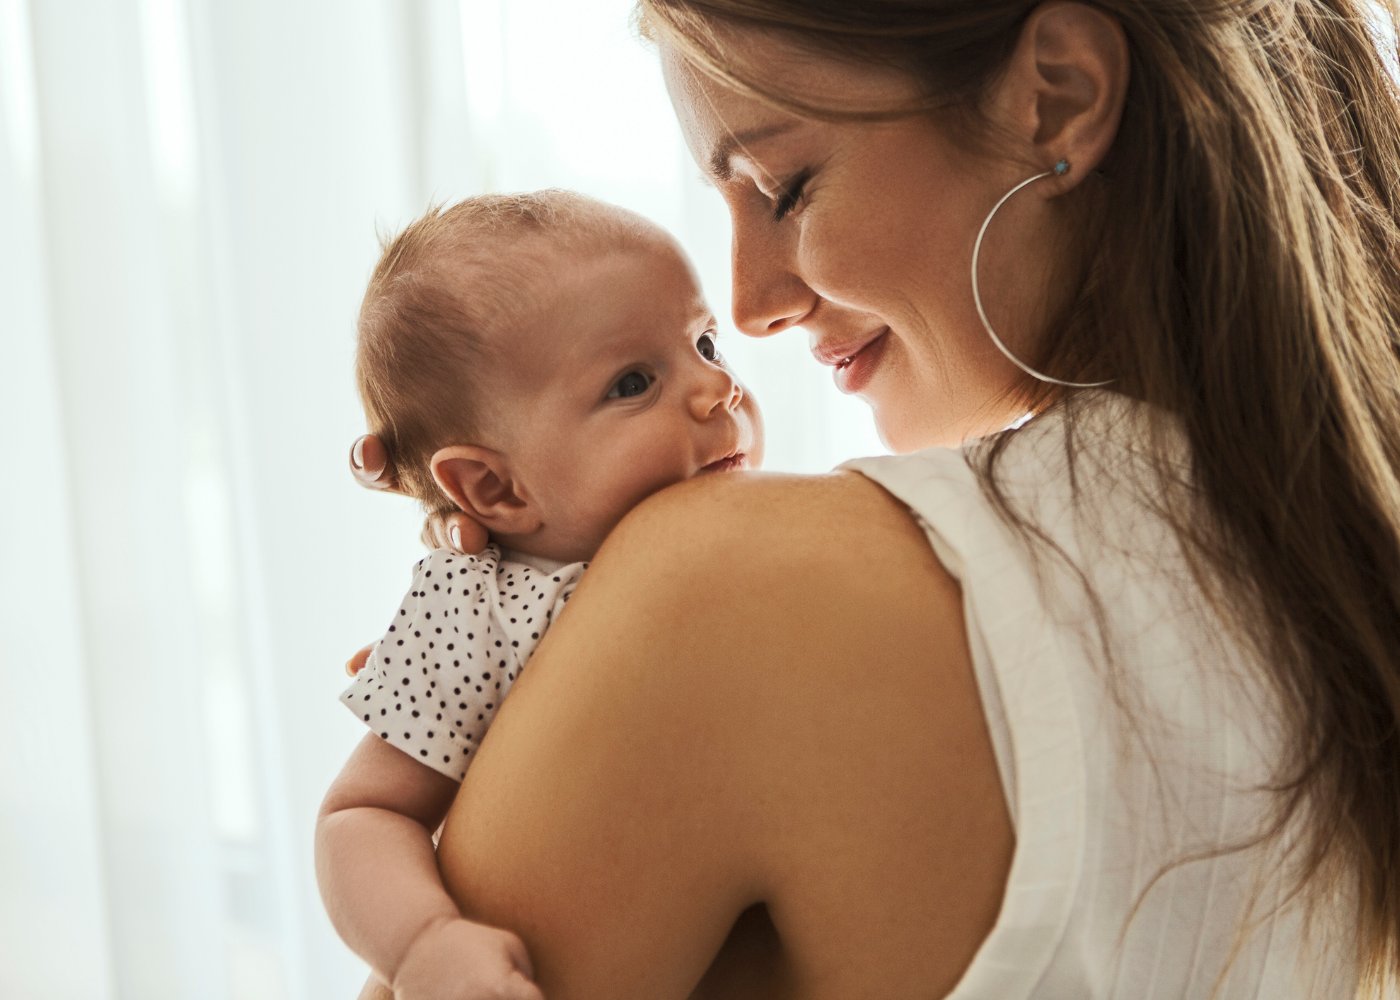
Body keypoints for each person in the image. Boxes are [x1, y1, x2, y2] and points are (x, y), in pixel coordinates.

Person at [348, 1, 1400, 996]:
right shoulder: (1330, 577)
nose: (749, 308)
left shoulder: (728, 588)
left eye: (785, 187)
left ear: (1059, 99)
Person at [317, 191, 762, 1000]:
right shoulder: (480, 608)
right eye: (634, 381)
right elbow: (361, 817)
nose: (716, 390)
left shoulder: (755, 539)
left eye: (705, 343)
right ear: (494, 486)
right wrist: (424, 945)